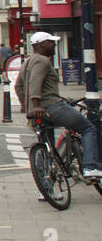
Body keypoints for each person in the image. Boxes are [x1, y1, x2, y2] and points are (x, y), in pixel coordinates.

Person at [24, 32, 102, 179]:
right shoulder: (42, 61)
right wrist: (36, 105)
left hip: (39, 112)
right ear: (39, 44)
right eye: (50, 42)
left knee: (48, 149)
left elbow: (20, 86)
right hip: (52, 108)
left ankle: (46, 187)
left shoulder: (28, 62)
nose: (54, 45)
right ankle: (90, 167)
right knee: (88, 128)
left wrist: (29, 108)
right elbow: (34, 82)